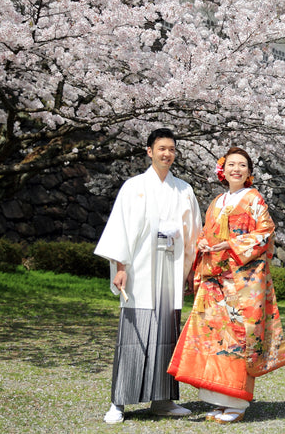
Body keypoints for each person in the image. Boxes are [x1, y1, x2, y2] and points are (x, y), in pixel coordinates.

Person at [168, 146, 285, 424]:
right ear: (223, 170)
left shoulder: (254, 199)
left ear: (249, 173)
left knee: (238, 338)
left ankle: (237, 402)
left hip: (242, 281)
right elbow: (207, 232)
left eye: (242, 165)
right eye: (231, 164)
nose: (236, 169)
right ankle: (219, 400)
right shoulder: (217, 202)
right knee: (215, 338)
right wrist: (202, 244)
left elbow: (265, 233)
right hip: (216, 278)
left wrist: (231, 244)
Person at [94, 128, 202, 424]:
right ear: (149, 151)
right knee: (134, 334)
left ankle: (163, 400)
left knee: (167, 335)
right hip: (140, 268)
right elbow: (121, 229)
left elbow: (193, 233)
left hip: (171, 267)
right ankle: (118, 402)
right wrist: (120, 268)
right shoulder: (133, 187)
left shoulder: (184, 190)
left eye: (171, 149)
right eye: (161, 148)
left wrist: (191, 271)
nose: (167, 154)